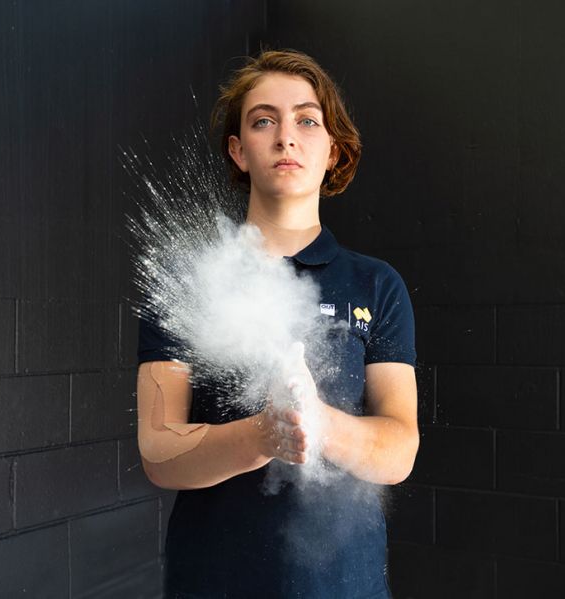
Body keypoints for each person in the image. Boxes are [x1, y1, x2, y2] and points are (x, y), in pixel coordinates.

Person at [137, 49, 418, 598]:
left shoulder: (376, 285)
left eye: (307, 121)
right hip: (212, 582)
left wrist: (318, 423)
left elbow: (400, 449)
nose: (286, 137)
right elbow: (157, 450)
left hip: (344, 585)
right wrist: (265, 434)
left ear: (332, 150)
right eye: (264, 120)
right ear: (239, 152)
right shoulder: (190, 281)